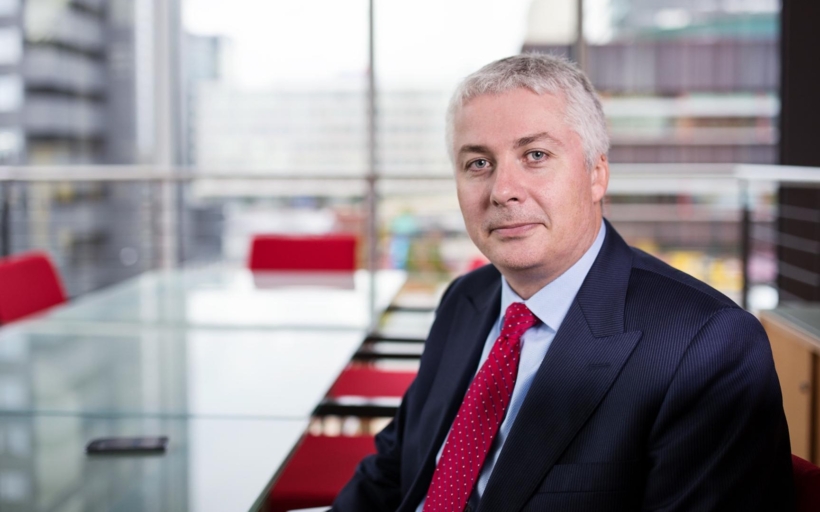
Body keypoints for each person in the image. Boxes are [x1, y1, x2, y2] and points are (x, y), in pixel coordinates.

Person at [333, 54, 794, 512]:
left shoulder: (707, 346)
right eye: (478, 163)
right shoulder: (465, 298)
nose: (502, 191)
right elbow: (395, 468)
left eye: (535, 156)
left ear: (596, 175)